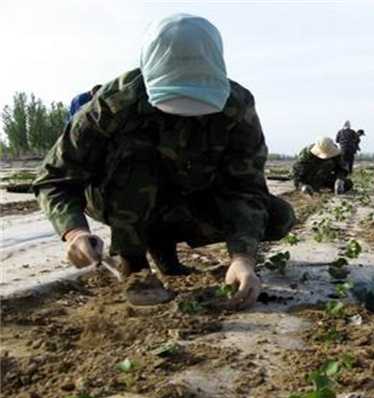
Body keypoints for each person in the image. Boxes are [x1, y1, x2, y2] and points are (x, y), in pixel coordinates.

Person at [33, 14, 296, 309]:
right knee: (138, 167)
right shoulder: (111, 107)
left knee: (277, 216)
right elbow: (55, 178)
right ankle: (134, 266)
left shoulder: (237, 108)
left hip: (188, 198)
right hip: (117, 198)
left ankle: (164, 252)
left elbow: (245, 187)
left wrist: (243, 258)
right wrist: (75, 232)